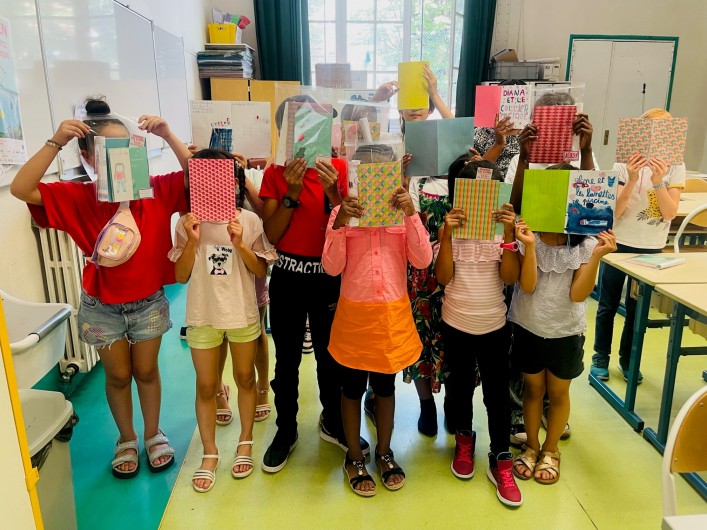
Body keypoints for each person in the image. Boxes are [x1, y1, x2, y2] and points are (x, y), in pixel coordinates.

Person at [10, 98, 191, 478]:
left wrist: (168, 135)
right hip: (102, 306)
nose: (120, 158)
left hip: (149, 303)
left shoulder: (154, 191)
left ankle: (153, 433)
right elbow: (21, 188)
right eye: (109, 151)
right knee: (118, 376)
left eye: (127, 148)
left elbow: (200, 180)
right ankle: (126, 438)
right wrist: (55, 141)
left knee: (146, 371)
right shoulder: (78, 197)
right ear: (90, 158)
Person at [259, 95, 369, 473]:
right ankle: (285, 429)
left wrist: (333, 191)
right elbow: (272, 236)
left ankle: (332, 421)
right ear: (284, 133)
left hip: (328, 276)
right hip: (288, 276)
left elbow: (349, 225)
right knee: (286, 360)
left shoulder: (337, 166)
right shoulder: (276, 173)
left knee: (330, 357)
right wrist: (290, 193)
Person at [322, 144, 432, 496]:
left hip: (390, 316)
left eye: (379, 173)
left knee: (385, 387)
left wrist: (411, 213)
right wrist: (339, 222)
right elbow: (331, 267)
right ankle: (354, 455)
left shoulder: (401, 213)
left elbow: (423, 259)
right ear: (354, 177)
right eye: (364, 173)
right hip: (355, 316)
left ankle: (384, 451)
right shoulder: (343, 212)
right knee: (352, 389)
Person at [171, 149, 276, 492]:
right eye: (202, 178)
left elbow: (261, 269)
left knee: (245, 377)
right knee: (206, 385)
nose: (217, 185)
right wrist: (192, 241)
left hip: (241, 312)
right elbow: (181, 275)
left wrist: (241, 244)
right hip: (202, 315)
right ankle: (211, 452)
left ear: (234, 183)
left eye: (225, 178)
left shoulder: (248, 220)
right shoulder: (186, 223)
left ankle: (245, 440)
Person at [509, 195, 617, 485]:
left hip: (566, 330)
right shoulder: (528, 234)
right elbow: (528, 285)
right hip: (529, 325)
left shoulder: (585, 243)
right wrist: (530, 246)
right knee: (532, 391)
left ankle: (550, 449)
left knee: (557, 394)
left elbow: (578, 295)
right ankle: (532, 445)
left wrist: (596, 257)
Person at [505, 105, 596, 446]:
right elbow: (515, 206)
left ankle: (549, 439)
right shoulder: (533, 231)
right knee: (529, 381)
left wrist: (586, 149)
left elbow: (592, 198)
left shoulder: (581, 237)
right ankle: (527, 428)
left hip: (564, 326)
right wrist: (525, 157)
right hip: (531, 319)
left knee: (555, 389)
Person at [434, 158, 522, 506]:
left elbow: (510, 278)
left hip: (494, 326)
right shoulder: (452, 230)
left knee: (498, 397)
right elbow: (442, 278)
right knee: (459, 390)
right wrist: (446, 234)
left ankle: (500, 457)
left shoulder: (502, 231)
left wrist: (510, 236)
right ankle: (464, 441)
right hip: (456, 322)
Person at [591, 108, 684, 382]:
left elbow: (667, 214)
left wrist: (658, 182)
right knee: (607, 304)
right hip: (617, 243)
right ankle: (600, 357)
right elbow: (616, 211)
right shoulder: (624, 164)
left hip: (650, 246)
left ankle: (628, 360)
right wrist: (632, 179)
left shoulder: (675, 166)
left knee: (636, 309)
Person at [473, 80, 526, 178]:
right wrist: (498, 144)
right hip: (489, 186)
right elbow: (476, 174)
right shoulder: (480, 133)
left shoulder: (530, 134)